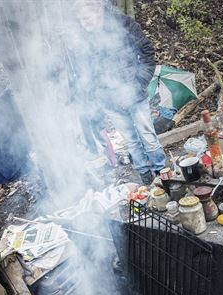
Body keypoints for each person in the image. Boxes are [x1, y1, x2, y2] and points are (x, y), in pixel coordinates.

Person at [69, 0, 166, 185]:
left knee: (148, 136)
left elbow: (147, 53)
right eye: (81, 20)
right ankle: (145, 178)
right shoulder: (82, 38)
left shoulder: (125, 25)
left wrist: (139, 83)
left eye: (87, 18)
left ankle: (162, 174)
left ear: (98, 10)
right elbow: (85, 72)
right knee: (131, 141)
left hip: (134, 93)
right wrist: (95, 94)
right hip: (109, 100)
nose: (84, 23)